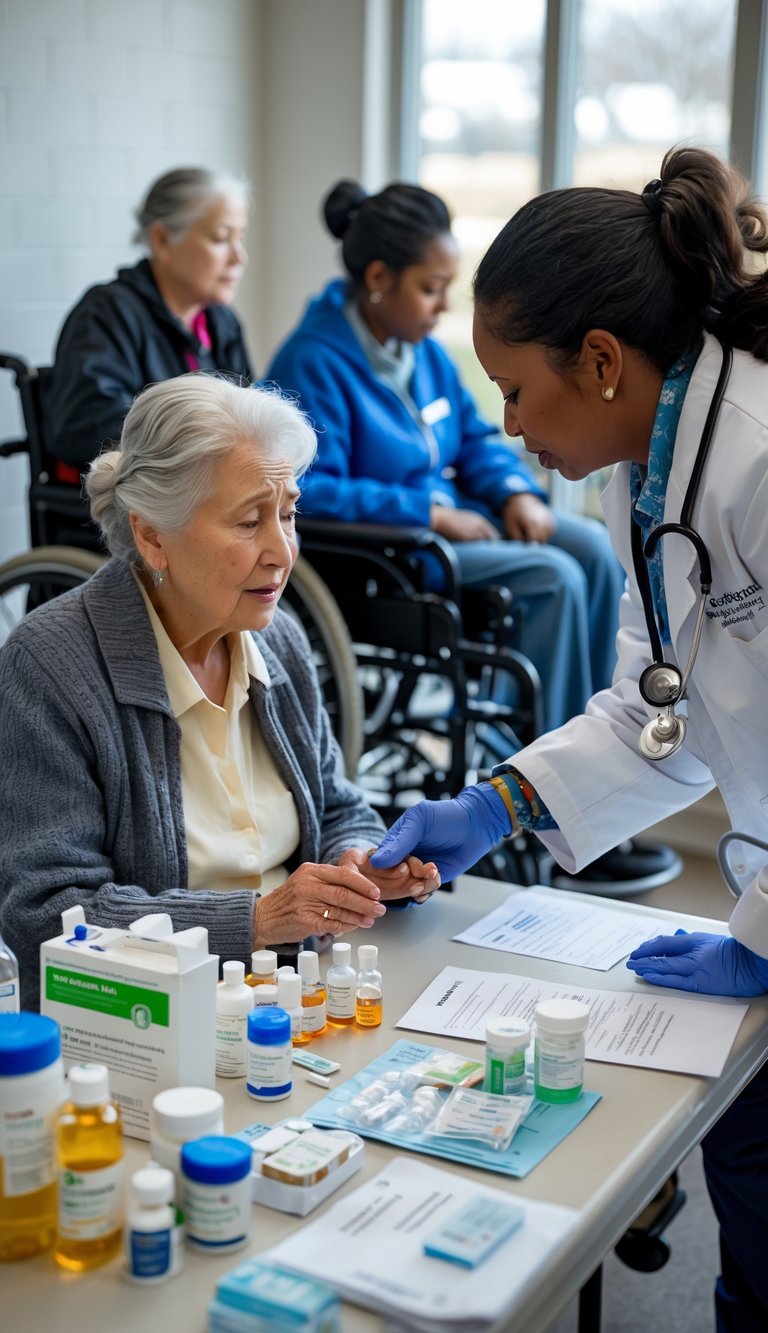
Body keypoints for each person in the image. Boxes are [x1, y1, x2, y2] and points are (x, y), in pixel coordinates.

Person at [370, 146, 768, 1332]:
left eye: (510, 389)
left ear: (599, 362)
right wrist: (500, 801)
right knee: (746, 1149)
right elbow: (664, 705)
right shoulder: (641, 468)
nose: (504, 426)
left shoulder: (759, 452)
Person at [265, 178, 677, 893]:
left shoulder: (420, 350)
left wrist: (513, 489)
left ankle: (593, 801)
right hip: (386, 557)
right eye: (431, 288)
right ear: (377, 280)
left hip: (450, 531)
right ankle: (546, 803)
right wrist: (423, 511)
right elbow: (309, 486)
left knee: (582, 546)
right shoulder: (312, 359)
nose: (441, 306)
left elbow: (479, 434)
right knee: (552, 577)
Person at [0, 374, 438, 1012]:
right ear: (153, 535)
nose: (281, 552)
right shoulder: (50, 668)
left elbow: (338, 802)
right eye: (248, 521)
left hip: (297, 994)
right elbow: (49, 913)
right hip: (147, 1025)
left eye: (287, 514)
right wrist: (257, 922)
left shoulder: (278, 639)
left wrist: (360, 861)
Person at [46, 166, 253, 481]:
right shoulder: (106, 314)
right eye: (221, 238)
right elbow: (88, 429)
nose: (240, 257)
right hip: (124, 515)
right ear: (162, 241)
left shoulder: (222, 322)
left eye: (240, 238)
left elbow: (250, 416)